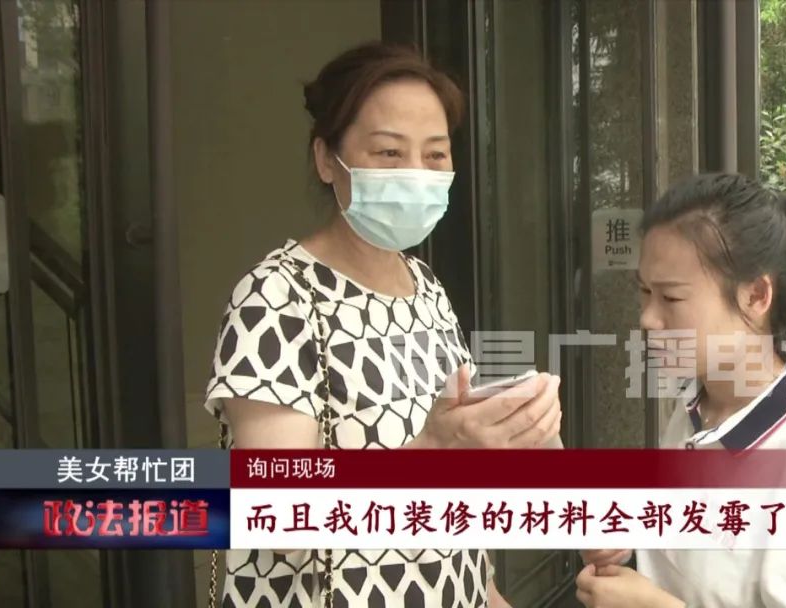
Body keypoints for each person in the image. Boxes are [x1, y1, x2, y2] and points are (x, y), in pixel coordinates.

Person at [202, 41, 562, 608]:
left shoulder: (426, 287)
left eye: (436, 154)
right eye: (390, 153)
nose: (417, 174)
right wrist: (433, 453)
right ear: (327, 159)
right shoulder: (276, 295)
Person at [575, 173, 786, 607]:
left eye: (671, 298)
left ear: (756, 296)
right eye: (644, 291)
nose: (647, 319)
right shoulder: (696, 407)